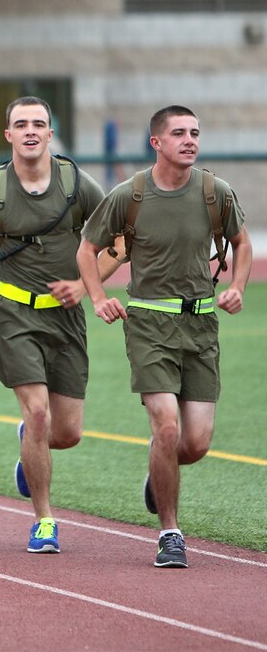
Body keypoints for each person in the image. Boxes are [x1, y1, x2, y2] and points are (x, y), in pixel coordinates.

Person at [77, 105, 251, 569]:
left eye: (194, 132)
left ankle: (159, 476)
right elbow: (87, 249)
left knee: (194, 443)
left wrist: (236, 287)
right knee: (166, 426)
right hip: (149, 325)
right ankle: (171, 533)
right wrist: (98, 298)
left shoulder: (216, 192)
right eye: (178, 133)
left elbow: (243, 244)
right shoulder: (129, 195)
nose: (189, 140)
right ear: (157, 142)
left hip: (202, 325)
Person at [0, 96, 116, 555]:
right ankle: (45, 520)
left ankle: (28, 443)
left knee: (66, 433)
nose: (30, 131)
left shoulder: (79, 186)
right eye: (20, 124)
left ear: (50, 133)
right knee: (39, 414)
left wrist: (84, 287)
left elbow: (117, 245)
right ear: (8, 135)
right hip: (14, 314)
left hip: (65, 317)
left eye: (39, 124)